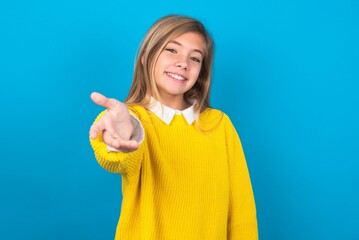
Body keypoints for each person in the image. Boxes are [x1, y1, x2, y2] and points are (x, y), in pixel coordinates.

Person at [89, 14, 258, 239]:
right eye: (172, 50)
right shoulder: (129, 119)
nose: (183, 63)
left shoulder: (219, 125)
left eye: (195, 58)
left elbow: (241, 210)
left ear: (201, 73)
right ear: (145, 56)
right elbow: (117, 156)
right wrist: (121, 138)